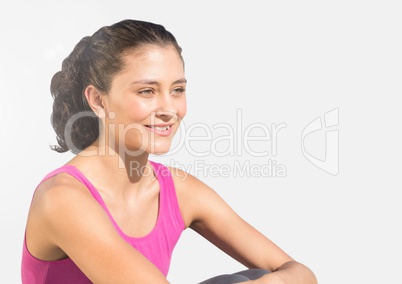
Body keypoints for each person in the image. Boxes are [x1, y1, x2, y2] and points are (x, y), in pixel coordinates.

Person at [21, 19, 317, 284]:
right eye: (147, 91)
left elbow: (300, 273)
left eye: (177, 90)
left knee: (254, 277)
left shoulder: (176, 190)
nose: (169, 110)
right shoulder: (61, 199)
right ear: (98, 100)